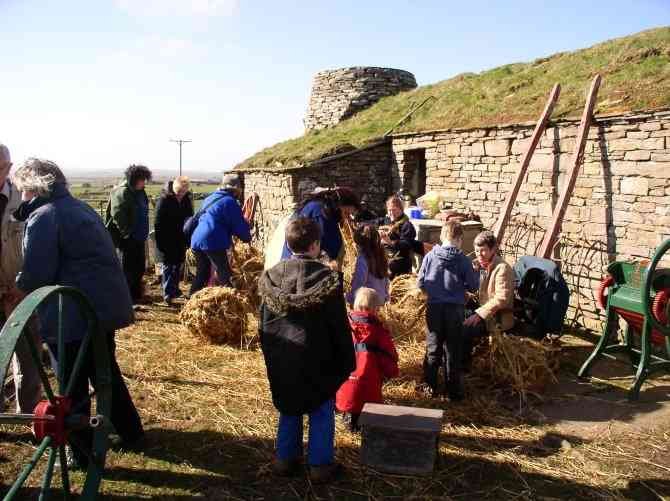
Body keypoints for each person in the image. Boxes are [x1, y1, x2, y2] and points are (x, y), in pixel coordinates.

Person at [13, 158, 144, 465]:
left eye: (22, 190)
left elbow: (37, 274)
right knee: (104, 371)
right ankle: (132, 432)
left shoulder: (45, 216)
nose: (22, 197)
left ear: (33, 188)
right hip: (102, 308)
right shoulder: (80, 208)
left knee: (71, 382)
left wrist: (16, 287)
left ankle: (80, 450)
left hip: (71, 314)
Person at [259, 217, 355, 484]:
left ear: (289, 245)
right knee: (322, 408)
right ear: (315, 245)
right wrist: (347, 360)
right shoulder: (328, 280)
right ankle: (320, 465)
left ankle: (285, 459)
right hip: (318, 358)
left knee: (289, 406)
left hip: (283, 356)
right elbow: (338, 325)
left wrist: (271, 355)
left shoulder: (270, 277)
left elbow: (263, 324)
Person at [0, 143, 42, 414]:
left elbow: (35, 246)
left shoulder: (23, 203)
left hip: (18, 290)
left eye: (0, 168)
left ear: (9, 168)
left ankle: (28, 411)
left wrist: (24, 284)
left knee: (28, 354)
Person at [417, 221, 479, 400]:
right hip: (455, 310)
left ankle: (429, 386)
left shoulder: (430, 256)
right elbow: (473, 286)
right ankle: (453, 391)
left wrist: (434, 292)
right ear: (459, 239)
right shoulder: (463, 260)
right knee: (453, 349)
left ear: (442, 237)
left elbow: (420, 282)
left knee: (433, 346)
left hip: (434, 308)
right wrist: (470, 276)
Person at [336, 288, 398, 432]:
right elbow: (390, 361)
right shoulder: (379, 332)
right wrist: (392, 373)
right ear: (375, 309)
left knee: (350, 404)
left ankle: (349, 420)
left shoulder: (343, 327)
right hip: (369, 395)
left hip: (344, 392)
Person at [189, 173, 251, 295]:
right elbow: (238, 224)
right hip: (213, 241)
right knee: (224, 274)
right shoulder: (230, 202)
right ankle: (229, 301)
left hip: (197, 239)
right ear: (236, 189)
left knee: (202, 273)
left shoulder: (210, 198)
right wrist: (247, 237)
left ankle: (192, 299)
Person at [462, 230, 515, 370]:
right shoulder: (478, 265)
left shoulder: (502, 269)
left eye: (483, 250)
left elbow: (501, 298)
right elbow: (477, 291)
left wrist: (479, 314)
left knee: (466, 329)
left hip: (496, 317)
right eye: (476, 251)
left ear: (493, 249)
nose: (479, 254)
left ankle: (464, 365)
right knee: (455, 318)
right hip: (481, 309)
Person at [280, 187, 360, 270]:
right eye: (346, 213)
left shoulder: (321, 206)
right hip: (298, 266)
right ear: (338, 206)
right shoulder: (322, 214)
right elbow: (333, 249)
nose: (346, 218)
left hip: (290, 263)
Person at [105, 164, 152, 304]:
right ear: (134, 179)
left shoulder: (140, 191)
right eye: (142, 179)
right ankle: (125, 299)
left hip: (139, 237)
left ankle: (136, 295)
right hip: (127, 239)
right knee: (127, 269)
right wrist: (127, 234)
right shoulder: (122, 192)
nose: (144, 182)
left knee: (139, 267)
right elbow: (118, 215)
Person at [154, 176, 193, 305]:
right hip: (167, 238)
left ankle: (175, 290)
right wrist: (160, 243)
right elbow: (158, 223)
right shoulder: (164, 200)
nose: (181, 195)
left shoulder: (186, 199)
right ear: (174, 189)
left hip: (180, 238)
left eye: (184, 192)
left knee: (177, 265)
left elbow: (189, 218)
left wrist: (188, 237)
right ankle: (167, 294)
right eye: (179, 192)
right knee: (168, 266)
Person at [346, 224, 390, 306]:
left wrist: (349, 299)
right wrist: (386, 297)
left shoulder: (363, 259)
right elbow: (386, 281)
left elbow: (358, 284)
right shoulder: (380, 254)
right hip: (380, 301)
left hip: (367, 303)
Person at [377, 195, 417, 279]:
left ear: (401, 209)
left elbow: (407, 245)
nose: (391, 213)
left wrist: (390, 242)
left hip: (400, 262)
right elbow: (370, 225)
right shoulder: (385, 221)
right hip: (384, 258)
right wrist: (377, 232)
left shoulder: (407, 225)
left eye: (394, 210)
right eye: (389, 210)